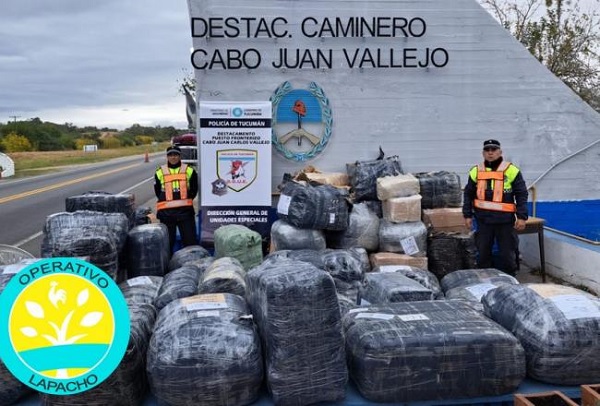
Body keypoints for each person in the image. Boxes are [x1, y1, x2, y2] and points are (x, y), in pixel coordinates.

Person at [462, 139, 528, 275]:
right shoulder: (476, 171)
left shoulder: (512, 170)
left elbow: (521, 194)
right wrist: (467, 215)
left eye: (493, 150)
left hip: (505, 221)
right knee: (483, 254)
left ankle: (511, 280)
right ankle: (486, 281)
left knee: (507, 255)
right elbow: (468, 194)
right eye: (487, 150)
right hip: (483, 221)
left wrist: (521, 217)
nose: (490, 153)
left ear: (500, 152)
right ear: (483, 153)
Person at [154, 145, 199, 253]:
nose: (173, 157)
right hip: (166, 214)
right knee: (167, 244)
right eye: (170, 155)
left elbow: (194, 189)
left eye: (175, 155)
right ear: (167, 157)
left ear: (180, 156)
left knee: (190, 243)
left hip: (185, 213)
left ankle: (191, 262)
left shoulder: (189, 170)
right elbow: (157, 191)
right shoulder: (159, 171)